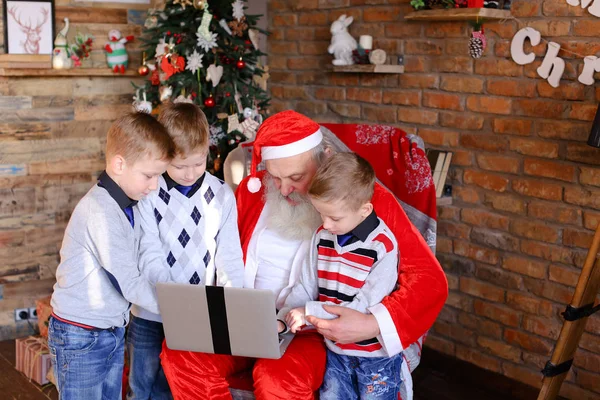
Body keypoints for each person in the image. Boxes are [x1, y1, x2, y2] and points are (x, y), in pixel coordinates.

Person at [160, 110, 448, 400]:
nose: (284, 189)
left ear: (324, 156)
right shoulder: (253, 191)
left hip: (309, 331)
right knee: (180, 355)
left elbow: (429, 279)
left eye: (296, 177)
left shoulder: (358, 199)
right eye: (275, 176)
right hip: (244, 320)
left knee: (278, 380)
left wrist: (371, 323)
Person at [48, 112, 175, 400]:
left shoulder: (132, 205)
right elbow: (129, 281)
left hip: (111, 330)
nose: (154, 185)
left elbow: (144, 259)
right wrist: (177, 309)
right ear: (119, 164)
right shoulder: (99, 211)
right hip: (79, 334)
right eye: (149, 175)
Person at [128, 102, 245, 399]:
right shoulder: (149, 194)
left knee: (180, 385)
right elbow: (148, 251)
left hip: (200, 313)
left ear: (208, 149)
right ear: (163, 154)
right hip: (151, 312)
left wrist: (232, 301)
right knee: (143, 386)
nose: (191, 173)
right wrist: (171, 298)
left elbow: (228, 255)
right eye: (180, 165)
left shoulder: (221, 195)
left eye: (199, 162)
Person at [278, 152, 403, 399]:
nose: (325, 224)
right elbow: (305, 286)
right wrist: (283, 319)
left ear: (364, 210)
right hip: (335, 352)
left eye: (334, 217)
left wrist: (309, 313)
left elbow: (362, 308)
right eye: (321, 214)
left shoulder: (383, 246)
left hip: (376, 359)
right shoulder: (322, 237)